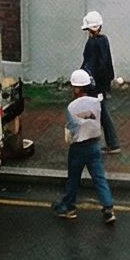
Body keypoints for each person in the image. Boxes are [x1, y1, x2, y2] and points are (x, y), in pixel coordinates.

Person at [51, 70, 115, 225]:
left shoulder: (71, 107)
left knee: (73, 179)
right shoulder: (96, 102)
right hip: (94, 145)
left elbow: (72, 129)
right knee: (99, 178)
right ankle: (108, 207)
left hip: (78, 147)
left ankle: (69, 207)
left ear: (77, 89)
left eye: (73, 87)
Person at [80, 9, 120, 153]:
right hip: (102, 84)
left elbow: (89, 64)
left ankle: (109, 143)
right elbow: (105, 64)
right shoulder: (104, 40)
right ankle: (112, 143)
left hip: (95, 85)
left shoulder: (92, 44)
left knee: (99, 112)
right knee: (102, 112)